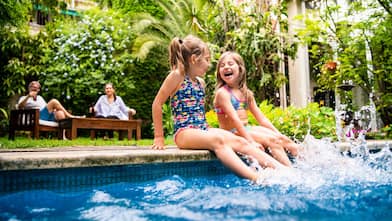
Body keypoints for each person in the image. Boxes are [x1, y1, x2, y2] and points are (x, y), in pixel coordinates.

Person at [152, 35, 287, 182]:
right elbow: (157, 103)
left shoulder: (200, 83)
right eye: (207, 59)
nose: (209, 64)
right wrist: (159, 137)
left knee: (242, 142)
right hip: (184, 132)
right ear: (194, 59)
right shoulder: (176, 76)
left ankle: (284, 172)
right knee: (218, 140)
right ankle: (257, 178)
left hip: (202, 128)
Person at [213, 51, 301, 166]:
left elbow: (262, 119)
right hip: (232, 133)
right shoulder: (222, 93)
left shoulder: (246, 93)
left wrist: (279, 133)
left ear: (240, 69)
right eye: (222, 65)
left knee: (283, 140)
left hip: (246, 129)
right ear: (219, 73)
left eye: (230, 64)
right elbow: (235, 119)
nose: (226, 67)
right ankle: (290, 173)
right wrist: (251, 141)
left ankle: (305, 167)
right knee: (272, 141)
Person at [17, 81, 82, 121]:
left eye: (36, 88)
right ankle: (71, 116)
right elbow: (20, 106)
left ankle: (62, 136)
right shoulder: (24, 98)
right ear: (29, 88)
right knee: (53, 101)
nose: (34, 89)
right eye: (33, 87)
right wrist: (28, 96)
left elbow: (46, 107)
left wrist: (54, 110)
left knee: (60, 113)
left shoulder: (40, 98)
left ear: (38, 90)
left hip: (45, 116)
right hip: (35, 116)